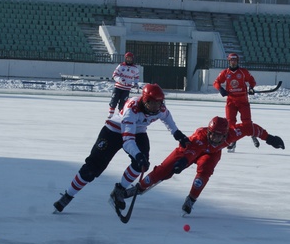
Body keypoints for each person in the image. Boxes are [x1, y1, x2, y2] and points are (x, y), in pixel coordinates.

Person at [53, 83, 190, 213]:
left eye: (160, 103)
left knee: (141, 165)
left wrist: (177, 133)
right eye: (154, 103)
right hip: (113, 132)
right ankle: (68, 195)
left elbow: (167, 117)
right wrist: (137, 155)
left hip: (138, 132)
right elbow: (128, 140)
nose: (157, 107)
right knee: (92, 168)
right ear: (145, 101)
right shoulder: (132, 109)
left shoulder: (160, 108)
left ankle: (119, 190)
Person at [123, 116, 285, 215]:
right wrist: (182, 162)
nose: (214, 137)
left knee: (205, 171)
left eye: (218, 135)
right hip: (190, 149)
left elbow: (252, 128)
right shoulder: (200, 137)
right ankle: (139, 187)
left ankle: (191, 199)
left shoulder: (234, 132)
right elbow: (190, 151)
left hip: (211, 154)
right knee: (164, 170)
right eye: (212, 133)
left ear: (225, 134)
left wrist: (270, 138)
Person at [213, 53, 258, 152]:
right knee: (230, 123)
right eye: (231, 60)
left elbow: (252, 81)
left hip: (243, 101)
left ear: (237, 61)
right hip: (231, 101)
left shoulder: (243, 72)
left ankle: (253, 134)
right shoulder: (225, 72)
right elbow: (216, 82)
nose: (233, 62)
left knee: (246, 121)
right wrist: (220, 89)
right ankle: (233, 141)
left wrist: (251, 88)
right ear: (229, 61)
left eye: (235, 60)